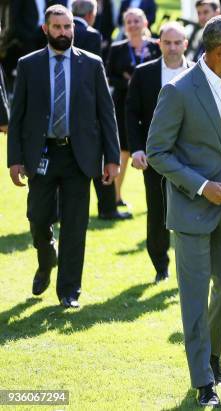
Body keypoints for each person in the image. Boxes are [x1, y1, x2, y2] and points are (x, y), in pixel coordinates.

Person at [146, 15, 221, 407]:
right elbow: (157, 152)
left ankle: (212, 353)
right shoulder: (178, 91)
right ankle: (203, 380)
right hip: (190, 212)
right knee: (194, 298)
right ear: (220, 51)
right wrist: (201, 186)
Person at [7, 5, 120, 309]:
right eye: (57, 27)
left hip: (79, 156)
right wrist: (14, 160)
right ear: (46, 30)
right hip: (41, 154)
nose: (63, 33)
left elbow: (106, 115)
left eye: (67, 27)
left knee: (75, 224)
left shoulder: (92, 64)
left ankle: (69, 291)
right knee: (38, 218)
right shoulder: (28, 65)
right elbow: (17, 118)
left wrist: (112, 159)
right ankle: (46, 260)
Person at [126, 22, 194, 283]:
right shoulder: (144, 74)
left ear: (186, 44)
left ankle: (189, 266)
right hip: (155, 156)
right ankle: (160, 267)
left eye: (178, 42)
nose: (173, 47)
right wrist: (136, 150)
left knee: (191, 211)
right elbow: (131, 113)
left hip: (191, 158)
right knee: (157, 211)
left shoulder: (199, 73)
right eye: (168, 42)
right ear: (159, 44)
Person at [72, 0, 132, 221]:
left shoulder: (56, 31)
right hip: (89, 106)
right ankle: (108, 207)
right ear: (90, 15)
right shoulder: (92, 35)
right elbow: (94, 74)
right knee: (101, 156)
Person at [107, 7, 160, 207]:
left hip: (152, 108)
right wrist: (129, 83)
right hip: (123, 107)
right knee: (122, 152)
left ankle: (157, 200)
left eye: (136, 20)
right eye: (128, 21)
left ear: (145, 23)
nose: (132, 24)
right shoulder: (117, 48)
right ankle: (116, 197)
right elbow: (110, 76)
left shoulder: (156, 46)